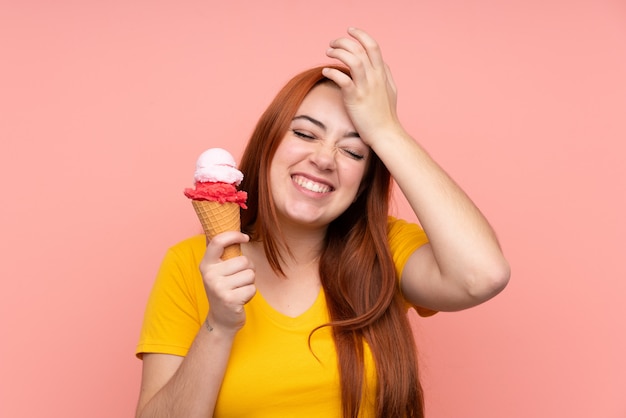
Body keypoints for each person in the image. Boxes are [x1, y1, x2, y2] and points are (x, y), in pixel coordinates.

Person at [135, 27, 510, 418]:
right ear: (269, 142)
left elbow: (482, 275)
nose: (325, 158)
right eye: (304, 133)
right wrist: (219, 324)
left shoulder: (387, 249)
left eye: (352, 150)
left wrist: (386, 129)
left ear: (365, 180)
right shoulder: (190, 264)